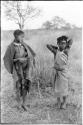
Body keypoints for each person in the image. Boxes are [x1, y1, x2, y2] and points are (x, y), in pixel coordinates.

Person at [3, 29, 36, 111]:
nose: (23, 38)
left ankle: (24, 104)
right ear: (16, 36)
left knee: (26, 85)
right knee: (18, 86)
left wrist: (25, 59)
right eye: (21, 36)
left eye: (23, 36)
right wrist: (17, 60)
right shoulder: (11, 47)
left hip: (26, 69)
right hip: (17, 70)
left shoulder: (24, 45)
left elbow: (31, 55)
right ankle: (18, 105)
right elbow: (7, 59)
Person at [47, 36, 73, 109]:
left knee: (64, 87)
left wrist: (67, 43)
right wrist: (56, 47)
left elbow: (71, 40)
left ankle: (64, 102)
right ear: (58, 44)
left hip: (64, 71)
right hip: (56, 71)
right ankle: (58, 102)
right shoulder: (56, 51)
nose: (63, 45)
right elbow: (48, 45)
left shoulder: (66, 50)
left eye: (64, 43)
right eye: (60, 43)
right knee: (56, 87)